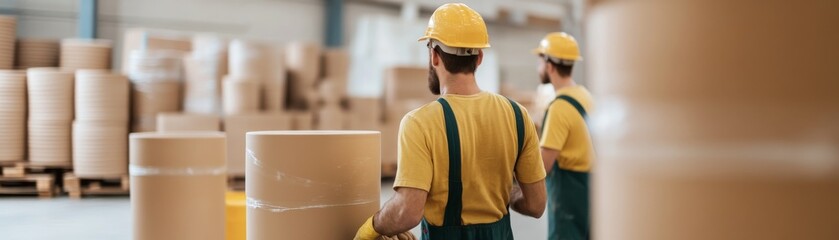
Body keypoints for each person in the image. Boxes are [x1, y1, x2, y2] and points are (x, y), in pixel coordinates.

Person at [354, 3, 547, 240]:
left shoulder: (419, 123)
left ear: (434, 55)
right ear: (479, 58)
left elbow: (407, 211)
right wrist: (503, 193)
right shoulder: (518, 115)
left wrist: (371, 227)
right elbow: (536, 204)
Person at [533, 32, 595, 240]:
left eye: (540, 61)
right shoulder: (585, 95)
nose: (538, 67)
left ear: (550, 66)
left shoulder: (558, 107)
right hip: (590, 191)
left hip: (569, 198)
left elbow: (543, 165)